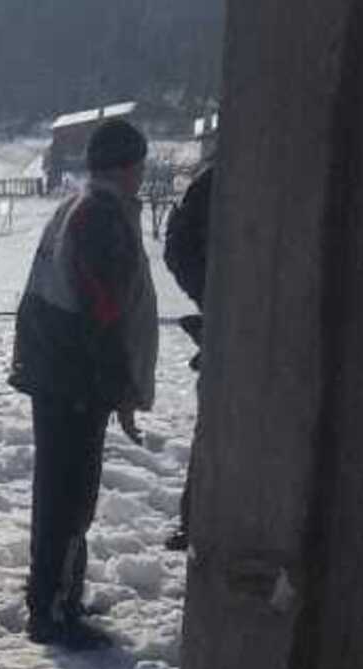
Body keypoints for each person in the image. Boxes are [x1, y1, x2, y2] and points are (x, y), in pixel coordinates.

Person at [11, 118, 159, 649]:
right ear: (126, 166)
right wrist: (119, 388)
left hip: (58, 373)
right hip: (75, 380)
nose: (143, 174)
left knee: (59, 494)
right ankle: (52, 611)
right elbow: (106, 314)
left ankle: (56, 596)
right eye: (139, 164)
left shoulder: (77, 206)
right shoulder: (101, 218)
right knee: (70, 498)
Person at [162, 164, 214, 551]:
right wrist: (216, 300)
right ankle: (197, 521)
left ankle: (197, 520)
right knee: (217, 427)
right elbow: (178, 248)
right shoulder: (218, 181)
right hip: (237, 325)